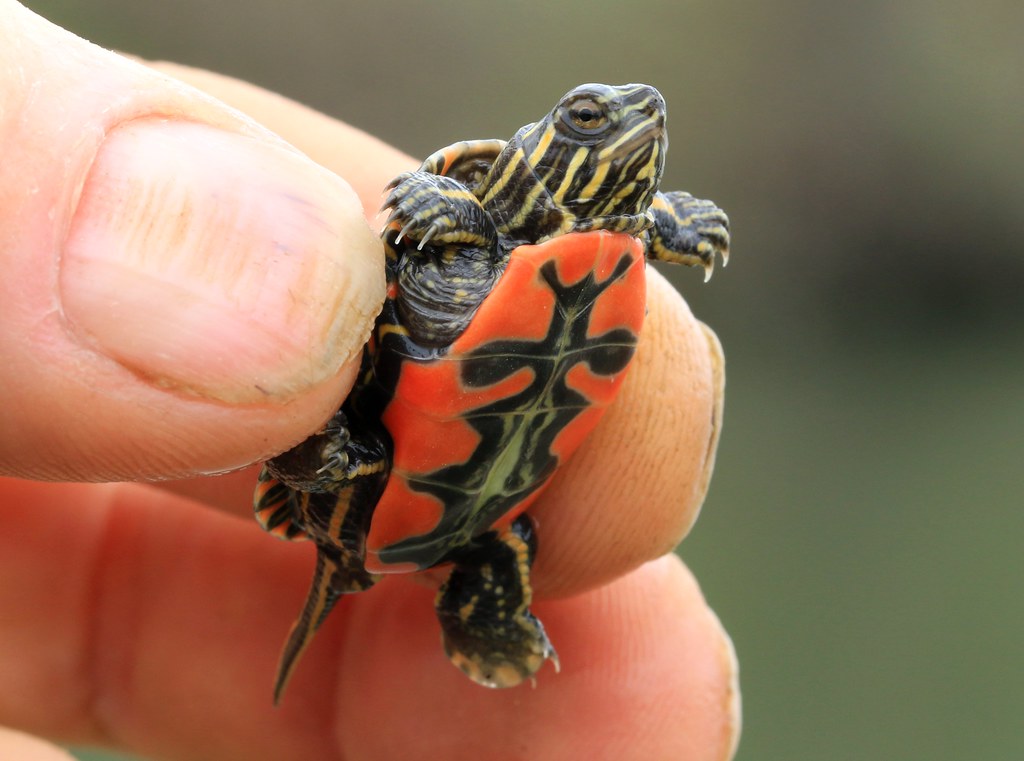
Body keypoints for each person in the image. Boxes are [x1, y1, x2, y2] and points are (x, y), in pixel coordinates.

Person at [0, 2, 740, 758]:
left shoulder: (626, 234)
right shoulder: (473, 222)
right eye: (587, 120)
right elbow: (406, 232)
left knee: (494, 534)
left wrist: (669, 225)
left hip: (474, 494)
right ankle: (363, 499)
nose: (640, 117)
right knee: (341, 441)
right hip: (376, 456)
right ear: (531, 157)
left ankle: (472, 593)